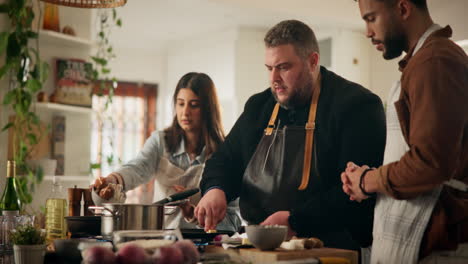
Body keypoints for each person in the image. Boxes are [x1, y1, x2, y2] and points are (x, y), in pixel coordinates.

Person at [195, 19, 386, 251]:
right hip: (262, 246)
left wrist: (295, 221)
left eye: (284, 67)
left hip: (333, 248)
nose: (274, 79)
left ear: (313, 61)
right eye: (269, 68)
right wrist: (216, 190)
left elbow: (353, 192)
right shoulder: (259, 106)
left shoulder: (357, 106)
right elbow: (224, 160)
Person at [342, 0, 468, 263]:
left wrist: (368, 181)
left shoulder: (435, 61)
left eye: (371, 18)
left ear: (403, 9)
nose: (367, 31)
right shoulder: (422, 61)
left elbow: (430, 163)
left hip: (437, 244)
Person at [91, 72, 241, 231]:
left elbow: (233, 221)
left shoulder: (225, 153)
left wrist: (197, 215)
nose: (185, 112)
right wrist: (114, 180)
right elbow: (138, 167)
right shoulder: (160, 141)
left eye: (194, 105)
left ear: (208, 108)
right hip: (161, 240)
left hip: (207, 245)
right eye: (180, 103)